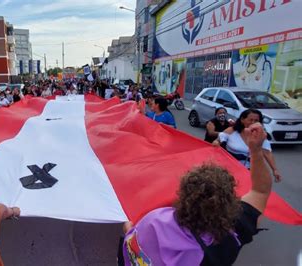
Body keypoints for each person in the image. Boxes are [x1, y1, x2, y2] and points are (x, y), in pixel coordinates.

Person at [120, 123, 273, 265]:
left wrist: (129, 224)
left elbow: (131, 234)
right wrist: (255, 150)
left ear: (182, 195)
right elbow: (260, 191)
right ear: (229, 204)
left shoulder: (153, 220)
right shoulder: (226, 243)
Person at [213, 109, 282, 181]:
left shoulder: (261, 136)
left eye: (256, 121)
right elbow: (217, 141)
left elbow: (267, 153)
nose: (253, 123)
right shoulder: (231, 131)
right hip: (227, 169)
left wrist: (275, 170)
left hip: (248, 171)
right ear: (242, 119)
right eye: (250, 120)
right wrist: (216, 142)